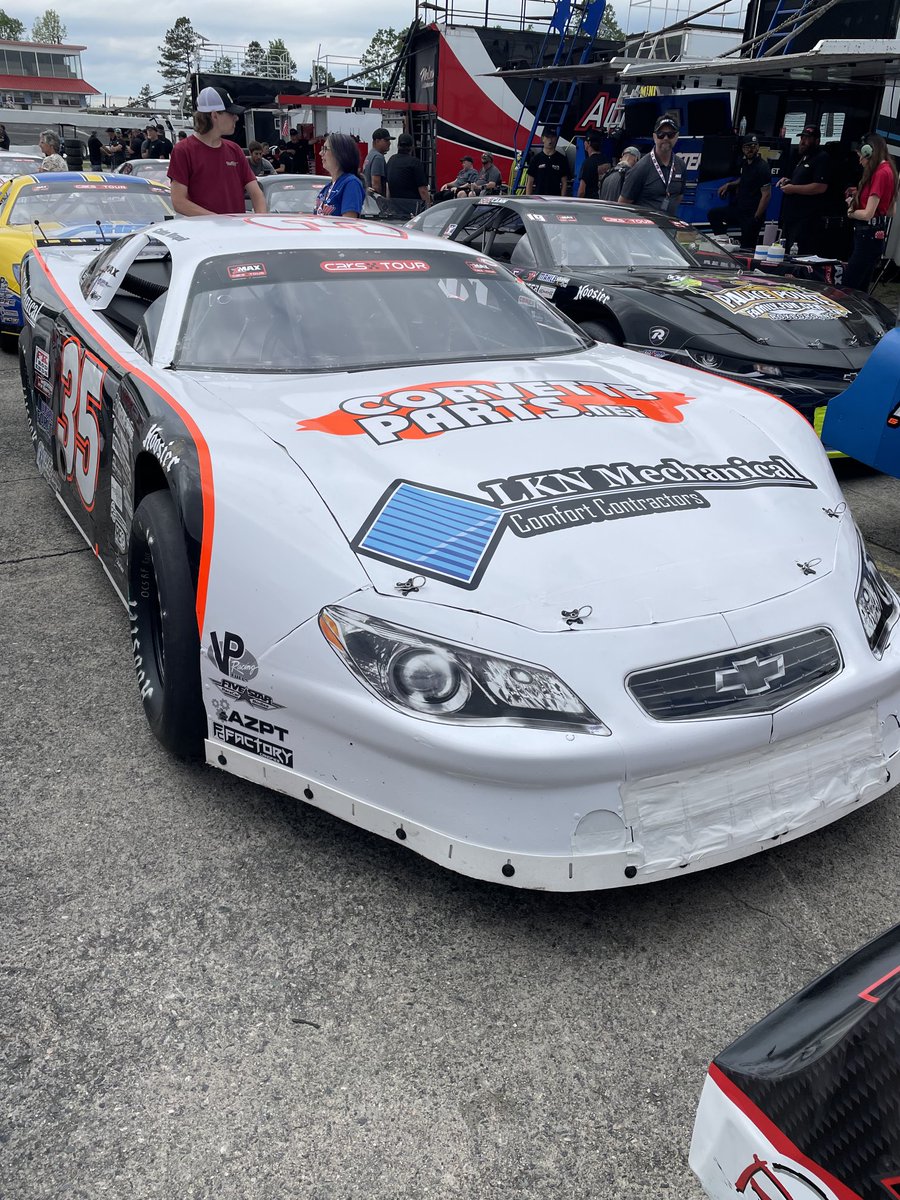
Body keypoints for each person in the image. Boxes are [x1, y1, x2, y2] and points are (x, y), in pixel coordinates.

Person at [167, 87, 265, 215]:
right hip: (203, 234)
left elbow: (257, 194)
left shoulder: (234, 150)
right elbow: (179, 202)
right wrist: (218, 221)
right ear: (214, 115)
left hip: (236, 233)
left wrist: (260, 221)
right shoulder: (183, 150)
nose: (236, 118)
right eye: (231, 113)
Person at [844, 135, 898, 290]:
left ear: (868, 152)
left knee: (849, 286)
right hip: (877, 235)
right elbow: (890, 211)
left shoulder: (879, 174)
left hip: (866, 234)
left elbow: (868, 213)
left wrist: (852, 210)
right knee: (861, 287)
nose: (860, 161)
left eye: (860, 156)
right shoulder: (891, 170)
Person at [708, 135, 772, 248]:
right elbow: (743, 179)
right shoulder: (745, 164)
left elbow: (766, 195)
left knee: (747, 248)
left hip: (752, 214)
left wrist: (756, 218)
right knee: (714, 214)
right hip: (740, 209)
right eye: (746, 147)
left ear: (757, 147)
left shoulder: (763, 167)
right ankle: (724, 243)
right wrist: (729, 184)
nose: (750, 149)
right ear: (743, 149)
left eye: (753, 146)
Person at [776, 125, 830, 256]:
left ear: (817, 141)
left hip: (805, 219)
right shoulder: (803, 158)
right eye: (802, 138)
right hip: (791, 216)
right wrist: (788, 181)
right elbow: (802, 180)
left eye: (807, 139)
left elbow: (820, 186)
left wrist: (793, 189)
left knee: (798, 254)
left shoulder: (821, 158)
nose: (803, 142)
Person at [619, 115, 686, 213]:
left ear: (677, 136)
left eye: (670, 134)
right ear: (654, 137)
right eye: (661, 134)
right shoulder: (641, 167)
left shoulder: (681, 165)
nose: (665, 138)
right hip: (645, 227)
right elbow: (623, 204)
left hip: (669, 226)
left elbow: (679, 197)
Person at [315, 132, 366, 217]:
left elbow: (348, 223)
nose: (320, 153)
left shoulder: (351, 184)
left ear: (339, 153)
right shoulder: (327, 188)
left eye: (325, 149)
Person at [385, 132, 431, 217]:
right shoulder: (415, 163)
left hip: (395, 211)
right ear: (411, 147)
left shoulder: (391, 161)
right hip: (413, 212)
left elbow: (388, 188)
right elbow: (423, 190)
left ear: (398, 146)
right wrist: (429, 210)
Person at [525, 128, 568, 196]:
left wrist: (563, 200)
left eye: (552, 137)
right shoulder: (536, 159)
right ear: (543, 139)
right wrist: (528, 200)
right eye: (547, 137)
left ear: (556, 139)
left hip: (555, 199)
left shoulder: (562, 159)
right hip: (539, 199)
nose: (550, 140)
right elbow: (530, 182)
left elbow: (564, 182)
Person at [577, 131, 611, 199]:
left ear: (588, 143)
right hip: (605, 202)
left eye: (585, 141)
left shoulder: (587, 163)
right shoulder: (608, 161)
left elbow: (581, 191)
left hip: (591, 203)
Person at [363, 128, 392, 195]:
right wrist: (380, 201)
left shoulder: (370, 155)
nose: (389, 143)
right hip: (375, 202)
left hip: (368, 200)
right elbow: (376, 183)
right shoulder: (378, 157)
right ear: (377, 141)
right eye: (386, 140)